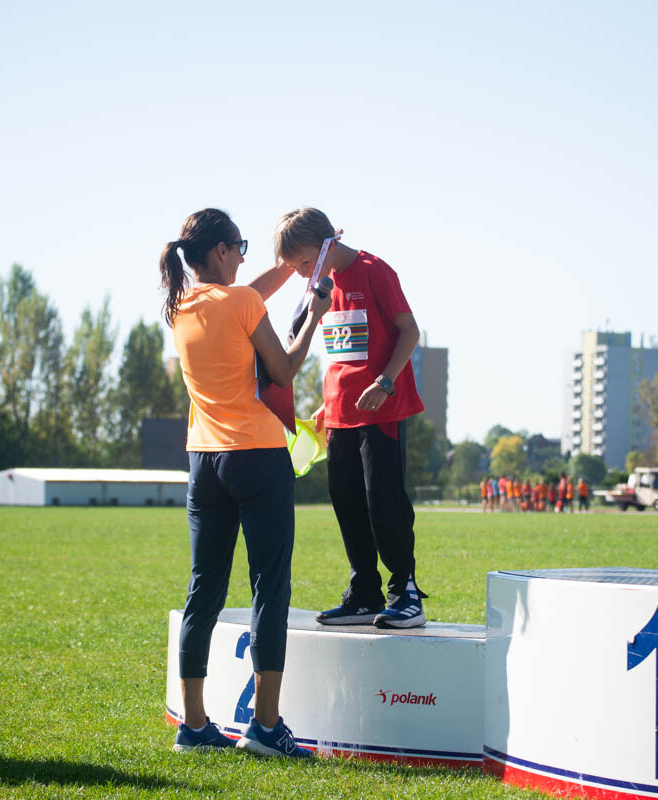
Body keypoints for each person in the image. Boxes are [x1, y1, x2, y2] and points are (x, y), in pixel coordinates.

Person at [161, 208, 330, 757]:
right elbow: (283, 370)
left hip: (203, 460)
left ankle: (193, 726)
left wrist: (288, 267)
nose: (242, 256)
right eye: (239, 247)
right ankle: (265, 726)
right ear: (219, 251)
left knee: (203, 590)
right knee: (269, 588)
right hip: (257, 455)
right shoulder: (241, 302)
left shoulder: (180, 306)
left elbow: (243, 296)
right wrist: (314, 316)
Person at [254, 207, 428, 628]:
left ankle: (405, 593)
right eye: (294, 266)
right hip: (338, 413)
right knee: (346, 501)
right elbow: (343, 353)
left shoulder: (375, 271)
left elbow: (410, 331)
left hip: (382, 409)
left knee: (383, 500)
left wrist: (385, 382)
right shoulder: (320, 285)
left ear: (328, 242)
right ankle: (364, 592)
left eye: (304, 262)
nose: (300, 273)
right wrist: (326, 402)